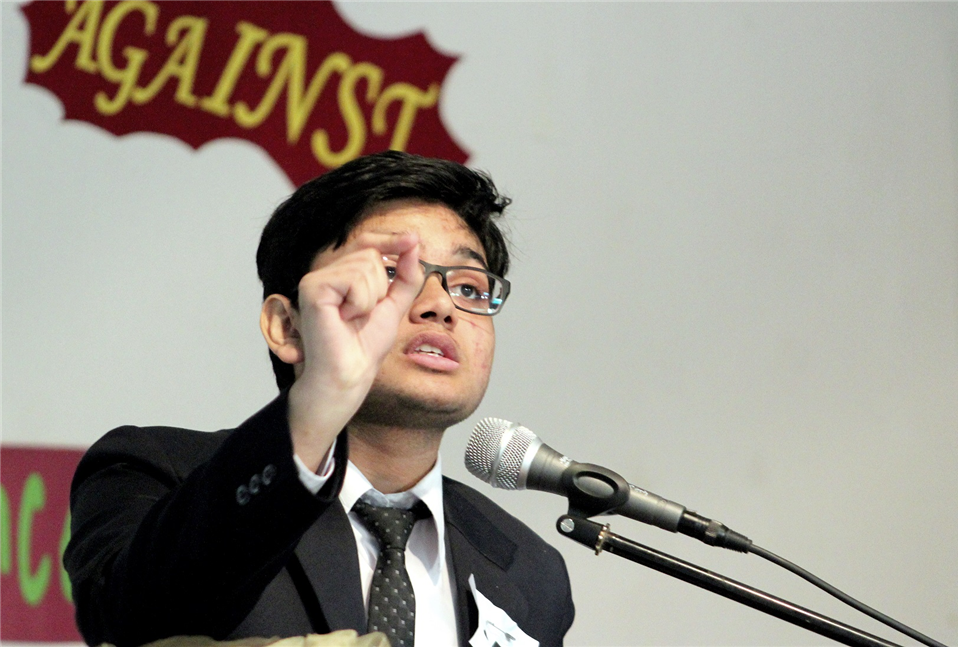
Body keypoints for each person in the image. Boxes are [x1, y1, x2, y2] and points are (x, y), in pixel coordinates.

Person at [63, 152, 575, 647]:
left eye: (469, 287)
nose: (440, 305)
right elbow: (133, 624)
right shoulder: (156, 473)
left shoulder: (531, 571)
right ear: (287, 327)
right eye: (392, 272)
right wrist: (323, 399)